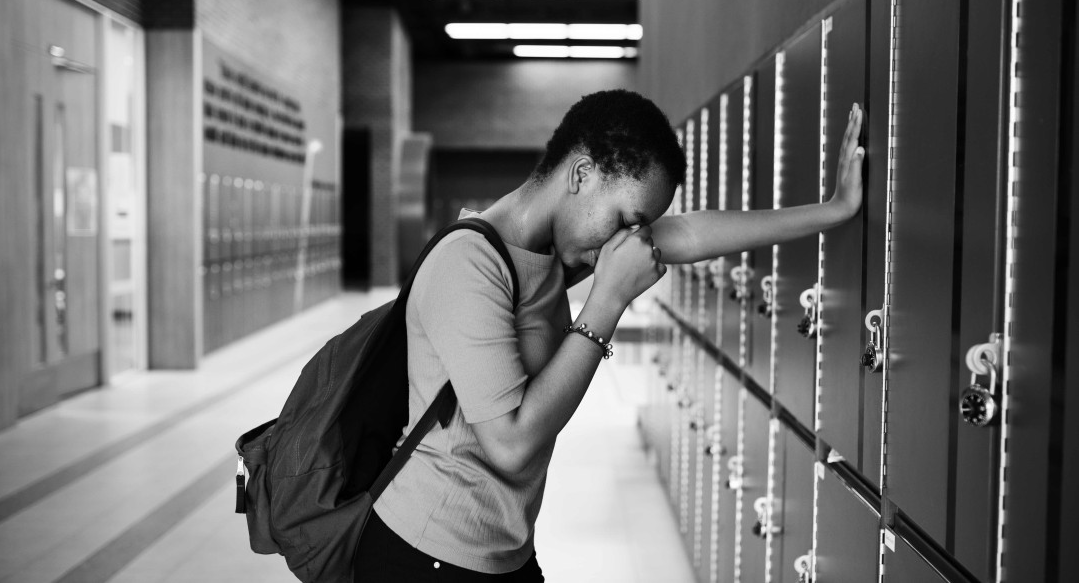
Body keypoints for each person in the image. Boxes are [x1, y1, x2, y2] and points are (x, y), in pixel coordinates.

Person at [353, 89, 865, 582]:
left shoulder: (551, 254)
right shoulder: (467, 263)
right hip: (423, 555)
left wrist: (833, 209)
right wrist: (607, 302)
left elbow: (690, 233)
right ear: (581, 173)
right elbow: (510, 444)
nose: (622, 244)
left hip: (502, 553)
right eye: (624, 220)